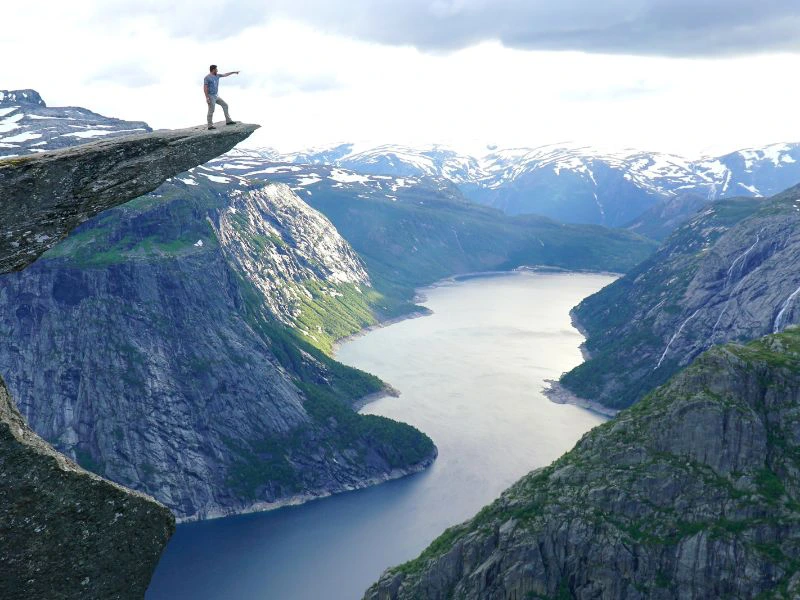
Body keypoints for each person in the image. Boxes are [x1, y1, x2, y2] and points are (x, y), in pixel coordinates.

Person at [204, 65, 240, 129]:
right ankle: (210, 125)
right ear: (213, 70)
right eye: (216, 69)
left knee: (225, 105)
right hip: (210, 96)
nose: (217, 70)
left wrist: (234, 72)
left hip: (216, 95)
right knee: (211, 110)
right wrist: (207, 97)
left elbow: (225, 74)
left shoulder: (217, 75)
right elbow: (205, 88)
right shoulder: (207, 77)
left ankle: (228, 121)